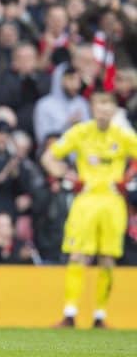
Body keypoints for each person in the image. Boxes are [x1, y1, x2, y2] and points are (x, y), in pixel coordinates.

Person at [41, 91, 137, 328]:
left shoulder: (124, 136)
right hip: (85, 200)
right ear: (92, 108)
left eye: (108, 106)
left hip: (113, 202)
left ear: (114, 110)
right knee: (77, 255)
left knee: (107, 258)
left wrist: (129, 179)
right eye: (99, 105)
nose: (103, 110)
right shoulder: (80, 132)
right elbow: (48, 158)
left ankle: (100, 316)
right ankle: (70, 313)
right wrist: (66, 176)